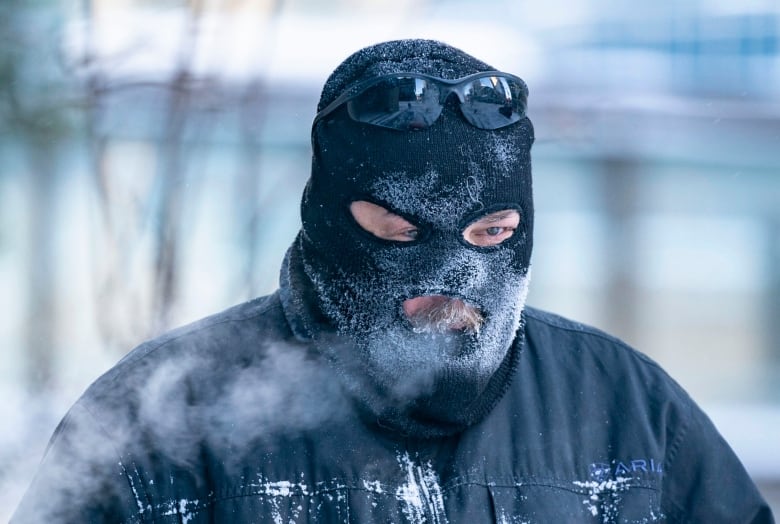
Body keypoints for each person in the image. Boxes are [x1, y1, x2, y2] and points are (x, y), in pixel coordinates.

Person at [12, 38, 774, 523]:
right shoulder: (161, 421)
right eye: (401, 235)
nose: (453, 277)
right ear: (330, 218)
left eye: (491, 236)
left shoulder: (626, 412)